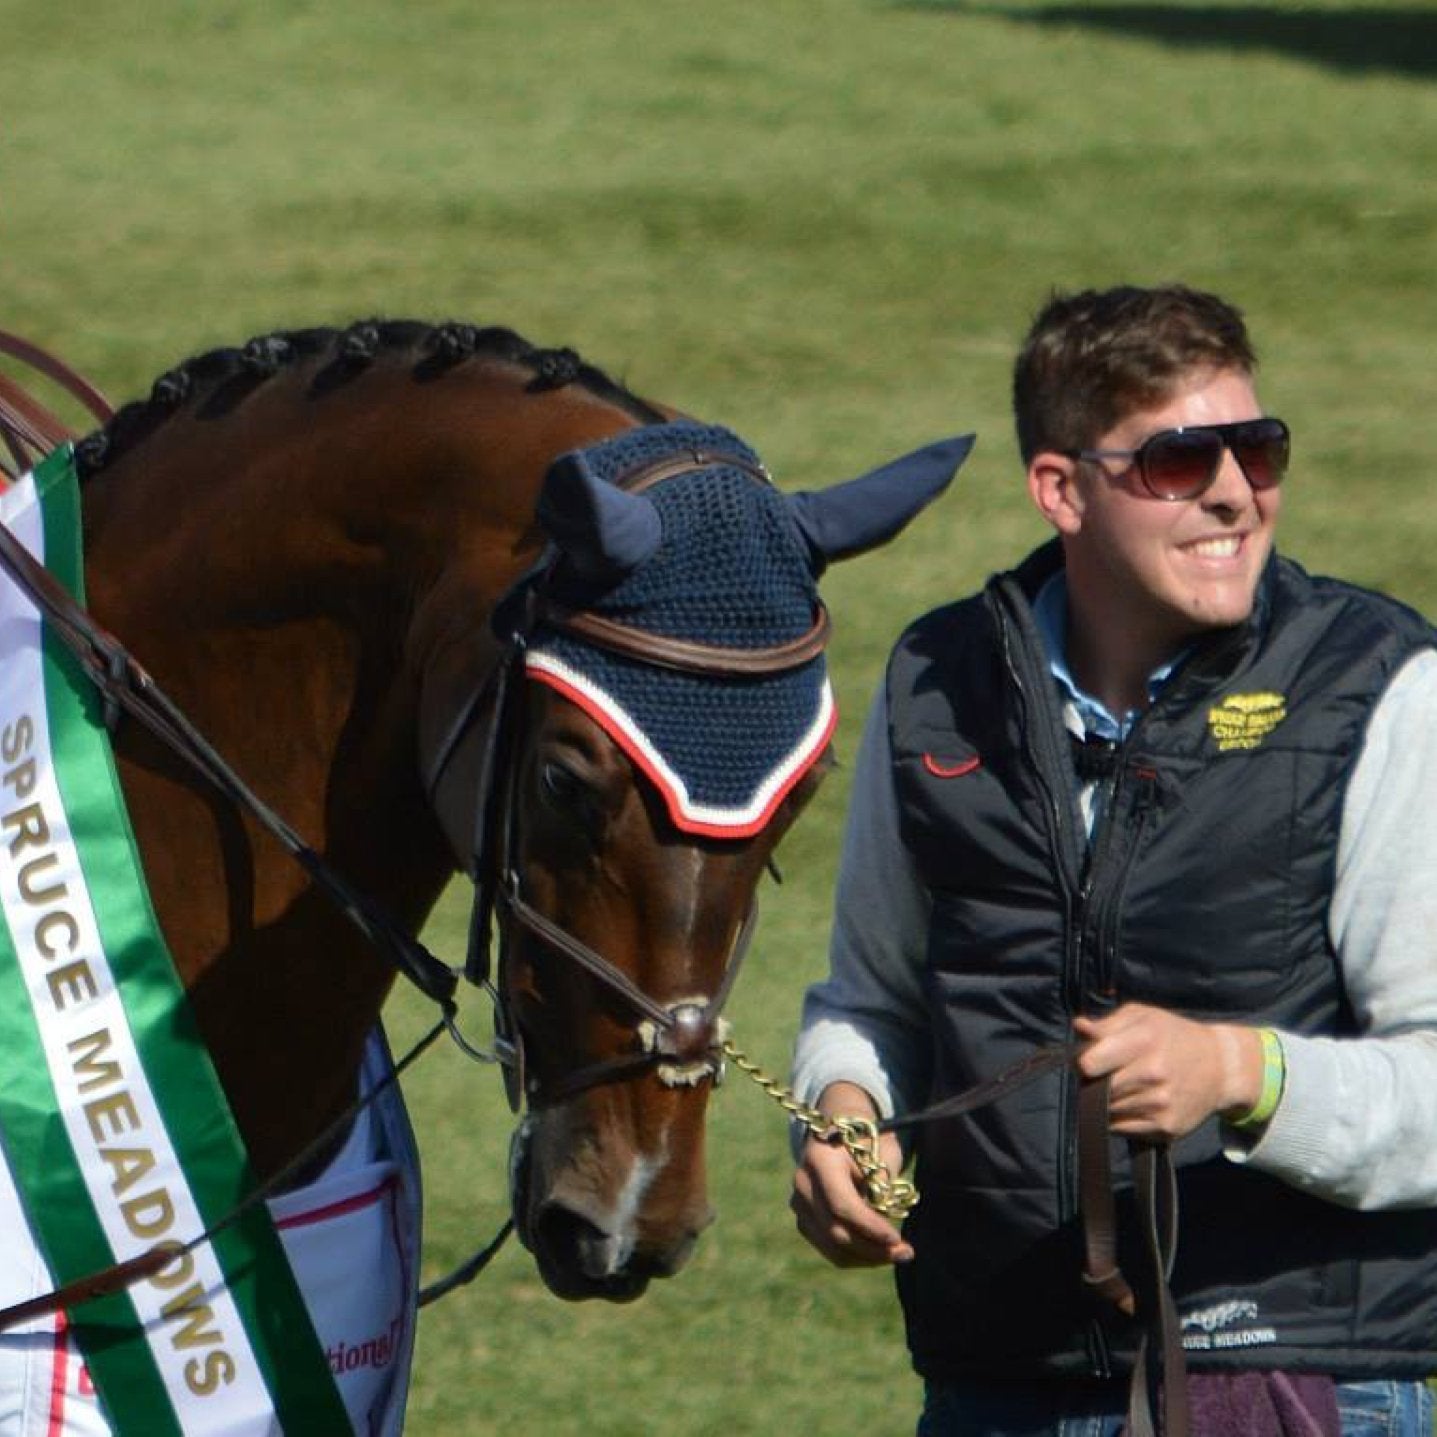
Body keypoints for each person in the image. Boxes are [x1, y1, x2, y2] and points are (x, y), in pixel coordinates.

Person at [790, 283, 1437, 1436]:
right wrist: (838, 1112)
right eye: (1183, 462)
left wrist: (1247, 1076)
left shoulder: (1383, 687)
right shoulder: (936, 687)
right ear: (1060, 490)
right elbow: (871, 998)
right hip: (994, 1378)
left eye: (1259, 449)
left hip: (1290, 1379)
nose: (1236, 492)